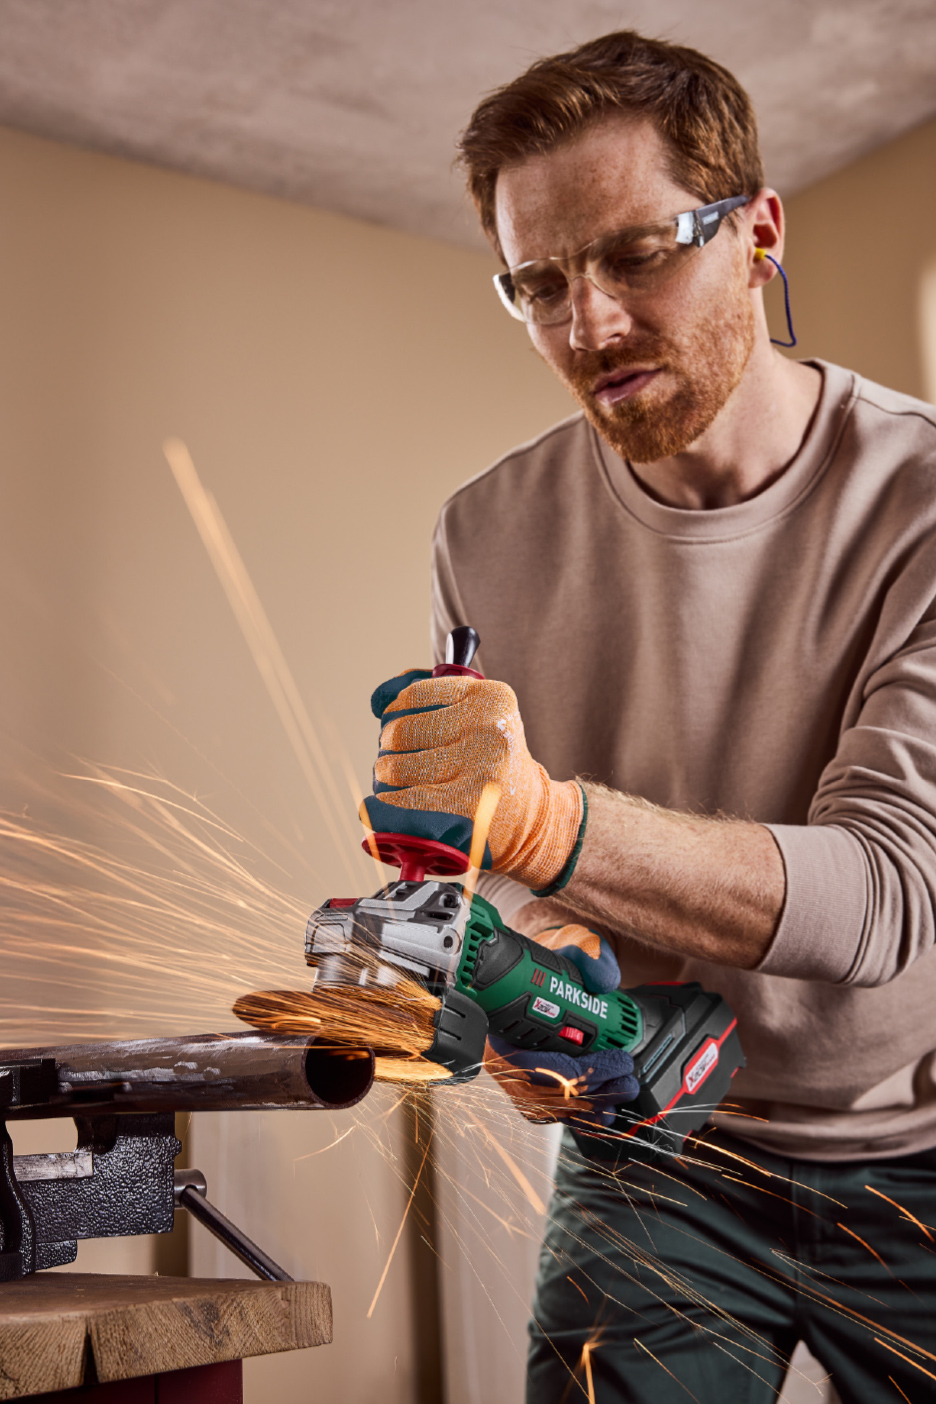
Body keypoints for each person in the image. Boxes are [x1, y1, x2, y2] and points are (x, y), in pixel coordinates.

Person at [363, 31, 936, 1403]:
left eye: (637, 255)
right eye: (540, 283)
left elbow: (884, 900)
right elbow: (519, 866)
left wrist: (547, 822)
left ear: (758, 230)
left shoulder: (918, 503)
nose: (591, 327)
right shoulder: (486, 531)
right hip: (666, 1154)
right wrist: (536, 985)